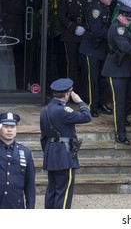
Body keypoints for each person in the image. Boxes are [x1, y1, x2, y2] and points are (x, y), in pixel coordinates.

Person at [40, 78, 92, 209]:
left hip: (51, 153)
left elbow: (43, 137)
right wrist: (80, 102)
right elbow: (87, 116)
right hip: (64, 156)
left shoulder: (44, 110)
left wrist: (48, 152)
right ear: (67, 94)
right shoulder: (63, 111)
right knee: (64, 193)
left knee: (52, 190)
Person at [102, 4, 131, 145]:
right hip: (116, 70)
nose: (130, 21)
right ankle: (120, 134)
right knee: (119, 103)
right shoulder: (117, 29)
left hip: (127, 68)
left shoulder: (124, 28)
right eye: (128, 19)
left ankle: (124, 117)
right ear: (120, 16)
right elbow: (125, 47)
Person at [57, 0, 94, 95]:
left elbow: (92, 15)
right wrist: (73, 27)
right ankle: (71, 93)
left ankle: (83, 93)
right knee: (72, 65)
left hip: (85, 33)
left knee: (84, 64)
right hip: (70, 33)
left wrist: (86, 28)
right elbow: (61, 16)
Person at [79, 0, 114, 117]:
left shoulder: (105, 7)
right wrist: (113, 33)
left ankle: (101, 103)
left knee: (104, 77)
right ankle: (91, 106)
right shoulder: (96, 9)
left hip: (101, 48)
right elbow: (96, 30)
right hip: (91, 48)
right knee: (91, 79)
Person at [0, 112, 35, 209]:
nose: (9, 130)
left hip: (16, 205)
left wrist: (30, 208)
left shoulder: (25, 152)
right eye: (6, 126)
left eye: (12, 127)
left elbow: (30, 185)